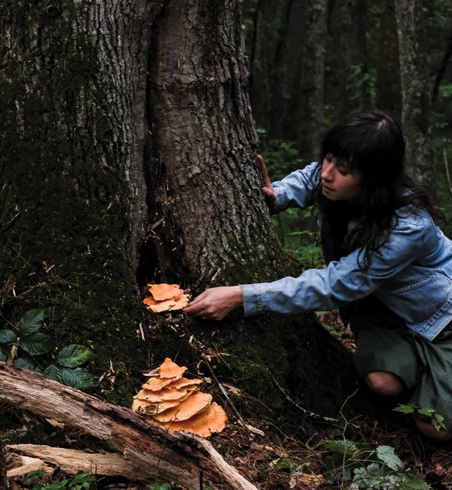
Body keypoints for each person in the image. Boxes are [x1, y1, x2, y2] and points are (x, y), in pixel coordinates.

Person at [185, 110, 452, 441]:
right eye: (328, 158)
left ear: (374, 179)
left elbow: (335, 284)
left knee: (435, 429)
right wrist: (276, 195)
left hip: (440, 320)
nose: (327, 174)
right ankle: (425, 376)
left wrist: (242, 296)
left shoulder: (408, 228)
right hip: (385, 312)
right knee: (382, 383)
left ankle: (437, 379)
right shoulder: (334, 178)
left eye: (343, 170)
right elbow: (307, 179)